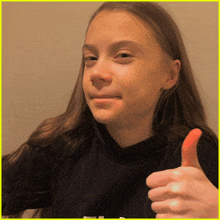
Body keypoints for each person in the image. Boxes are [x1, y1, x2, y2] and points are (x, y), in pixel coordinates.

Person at [2, 2, 218, 218]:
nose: (97, 73)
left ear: (169, 74)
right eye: (91, 58)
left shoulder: (202, 158)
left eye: (123, 55)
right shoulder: (62, 146)